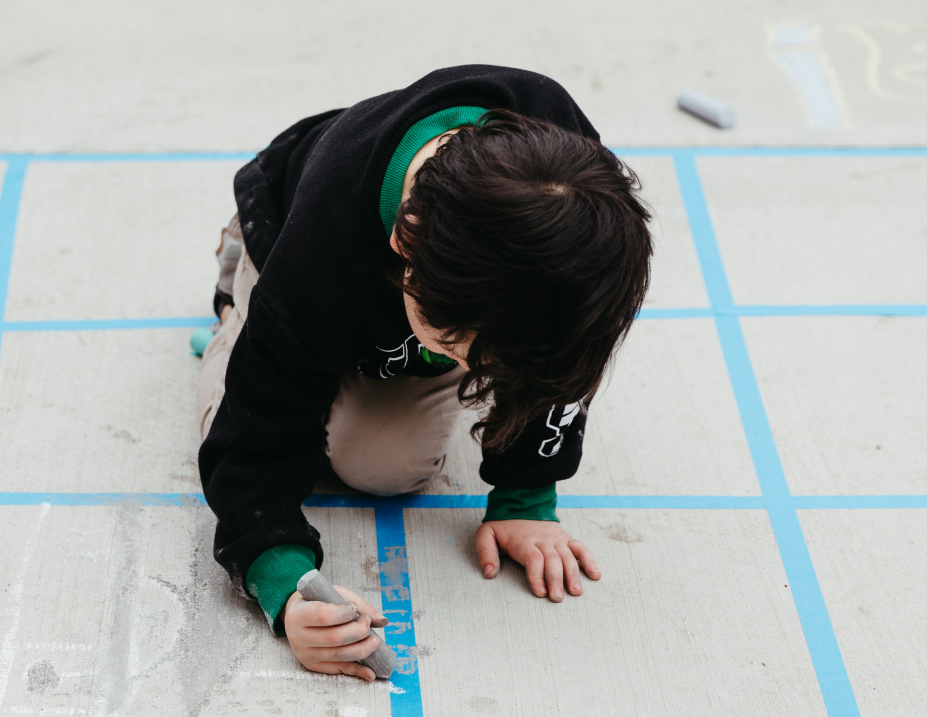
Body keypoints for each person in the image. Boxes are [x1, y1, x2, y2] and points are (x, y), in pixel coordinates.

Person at [195, 64, 653, 682]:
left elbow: (562, 360)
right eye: (465, 348)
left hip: (407, 304)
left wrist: (525, 497)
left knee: (385, 469)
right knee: (273, 383)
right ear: (407, 243)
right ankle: (235, 303)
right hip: (286, 229)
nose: (483, 376)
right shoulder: (322, 261)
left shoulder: (580, 213)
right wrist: (281, 582)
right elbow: (253, 439)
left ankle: (389, 352)